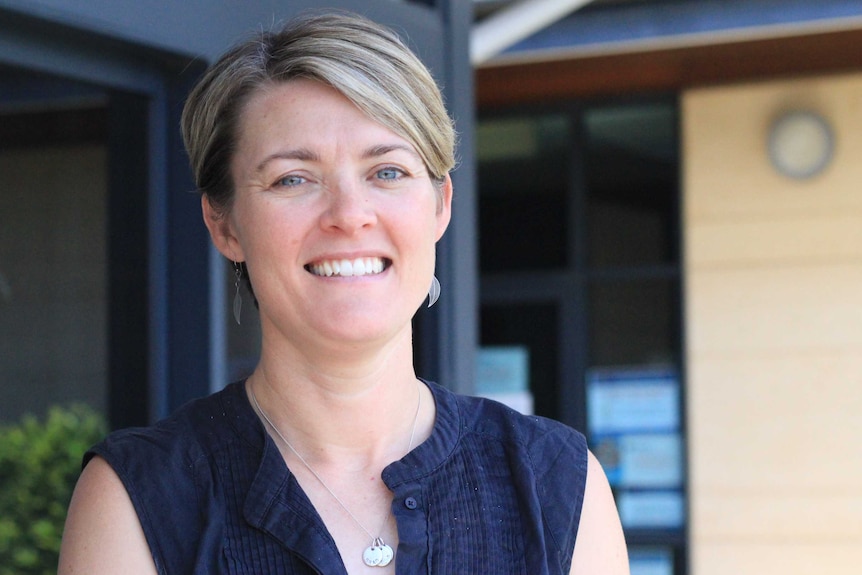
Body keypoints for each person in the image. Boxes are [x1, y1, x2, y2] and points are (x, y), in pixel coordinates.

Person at [58, 11, 628, 575]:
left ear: (440, 205)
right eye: (293, 179)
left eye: (387, 172)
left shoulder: (555, 482)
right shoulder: (139, 498)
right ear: (225, 224)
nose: (350, 216)